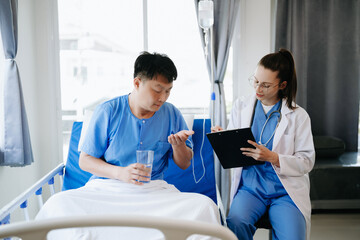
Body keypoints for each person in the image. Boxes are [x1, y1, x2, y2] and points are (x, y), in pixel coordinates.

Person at [211, 49, 315, 240]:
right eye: (256, 81)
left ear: (282, 85)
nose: (258, 89)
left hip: (285, 192)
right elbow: (234, 150)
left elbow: (306, 161)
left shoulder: (298, 116)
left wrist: (273, 157)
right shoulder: (241, 107)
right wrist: (223, 139)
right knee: (235, 224)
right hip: (251, 188)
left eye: (266, 85)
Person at [79, 51, 194, 184]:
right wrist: (120, 173)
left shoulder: (172, 114)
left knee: (205, 204)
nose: (163, 98)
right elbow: (85, 160)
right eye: (157, 90)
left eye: (168, 91)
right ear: (137, 83)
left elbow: (184, 164)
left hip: (152, 188)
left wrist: (178, 146)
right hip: (109, 185)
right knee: (58, 202)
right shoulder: (108, 111)